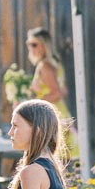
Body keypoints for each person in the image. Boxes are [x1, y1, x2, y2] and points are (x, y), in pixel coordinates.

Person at [26, 27, 79, 161]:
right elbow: (64, 89)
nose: (30, 48)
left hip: (51, 112)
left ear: (44, 45)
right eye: (29, 44)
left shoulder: (45, 66)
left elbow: (56, 93)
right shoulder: (54, 64)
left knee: (53, 154)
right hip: (58, 110)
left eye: (34, 44)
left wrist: (35, 101)